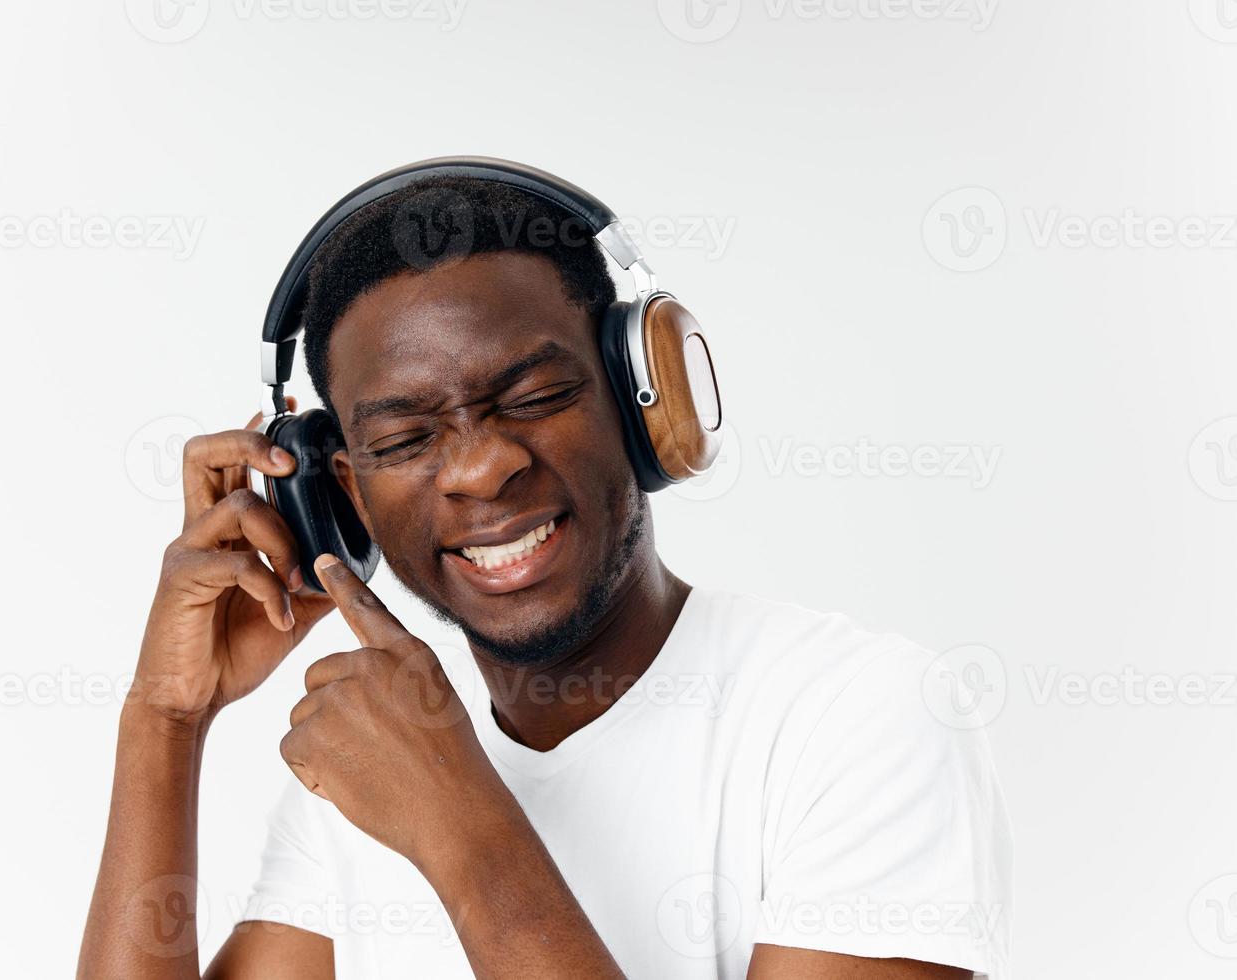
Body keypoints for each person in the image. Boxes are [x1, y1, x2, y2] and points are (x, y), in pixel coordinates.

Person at [77, 168, 1011, 979]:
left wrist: (461, 826)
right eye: (405, 438)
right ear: (346, 499)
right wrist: (165, 720)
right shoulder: (365, 774)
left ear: (646, 401)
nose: (483, 468)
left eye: (534, 397)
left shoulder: (857, 716)